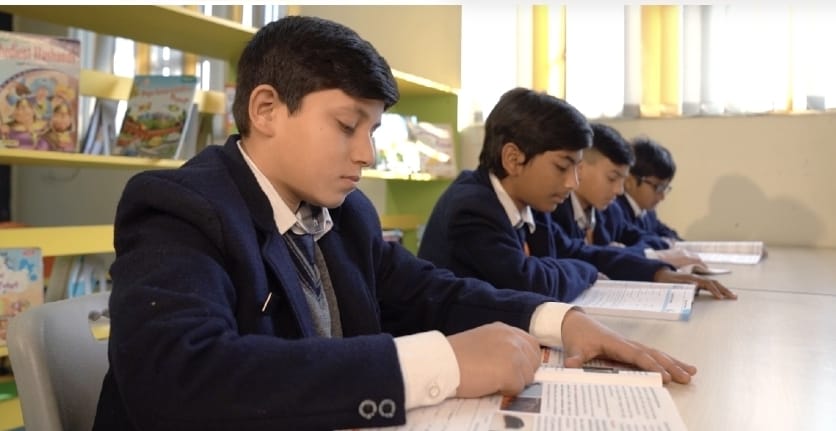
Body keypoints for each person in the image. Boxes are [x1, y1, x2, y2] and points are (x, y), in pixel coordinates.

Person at [93, 16, 697, 431]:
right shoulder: (181, 207)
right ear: (267, 109)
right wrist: (440, 365)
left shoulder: (345, 213)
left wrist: (560, 320)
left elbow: (431, 293)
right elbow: (178, 380)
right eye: (346, 126)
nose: (367, 153)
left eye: (373, 130)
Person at [418, 88, 736, 302]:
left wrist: (657, 273)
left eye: (577, 168)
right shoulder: (471, 207)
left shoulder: (532, 204)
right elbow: (528, 281)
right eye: (562, 167)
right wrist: (586, 272)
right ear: (513, 159)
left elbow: (577, 251)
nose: (572, 183)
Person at [551, 123, 705, 269]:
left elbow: (644, 239)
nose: (619, 190)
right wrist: (620, 253)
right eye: (612, 178)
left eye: (622, 180)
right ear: (580, 168)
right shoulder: (553, 209)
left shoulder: (610, 212)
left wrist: (622, 252)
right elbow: (576, 258)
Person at [614, 136, 683, 244]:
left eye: (665, 188)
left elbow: (662, 231)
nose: (662, 197)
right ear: (629, 182)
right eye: (658, 187)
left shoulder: (648, 211)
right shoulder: (615, 210)